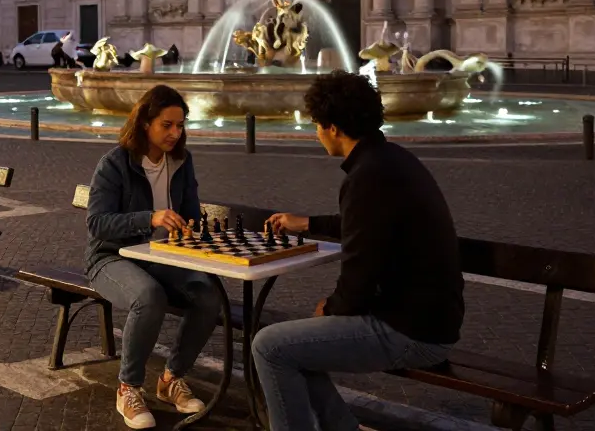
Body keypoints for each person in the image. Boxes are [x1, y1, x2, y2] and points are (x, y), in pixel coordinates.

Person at [253, 71, 464, 431]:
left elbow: (359, 273)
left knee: (269, 346)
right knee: (297, 347)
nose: (316, 133)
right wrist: (307, 223)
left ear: (333, 127)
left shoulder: (367, 177)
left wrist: (333, 309)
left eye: (317, 124)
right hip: (431, 318)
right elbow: (364, 223)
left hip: (412, 330)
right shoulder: (389, 160)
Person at [86, 85, 220, 429]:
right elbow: (98, 223)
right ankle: (128, 387)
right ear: (145, 122)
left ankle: (170, 380)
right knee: (148, 297)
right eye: (167, 125)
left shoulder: (182, 161)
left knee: (207, 297)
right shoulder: (115, 164)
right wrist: (150, 217)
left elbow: (191, 212)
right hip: (110, 257)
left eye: (180, 125)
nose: (175, 133)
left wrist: (189, 227)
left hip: (162, 256)